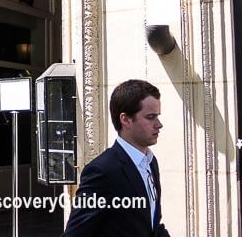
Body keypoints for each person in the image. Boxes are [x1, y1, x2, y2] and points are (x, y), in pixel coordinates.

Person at [63, 80, 170, 237]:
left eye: (158, 116)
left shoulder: (151, 163)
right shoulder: (102, 171)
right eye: (150, 117)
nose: (159, 124)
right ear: (125, 119)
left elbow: (152, 226)